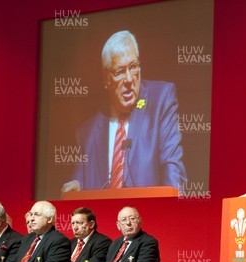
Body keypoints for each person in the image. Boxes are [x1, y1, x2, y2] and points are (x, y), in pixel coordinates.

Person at [61, 30, 187, 193]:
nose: (129, 79)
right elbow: (78, 185)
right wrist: (77, 187)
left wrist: (172, 209)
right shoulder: (87, 133)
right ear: (106, 78)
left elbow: (173, 170)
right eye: (120, 71)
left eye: (133, 67)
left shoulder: (160, 100)